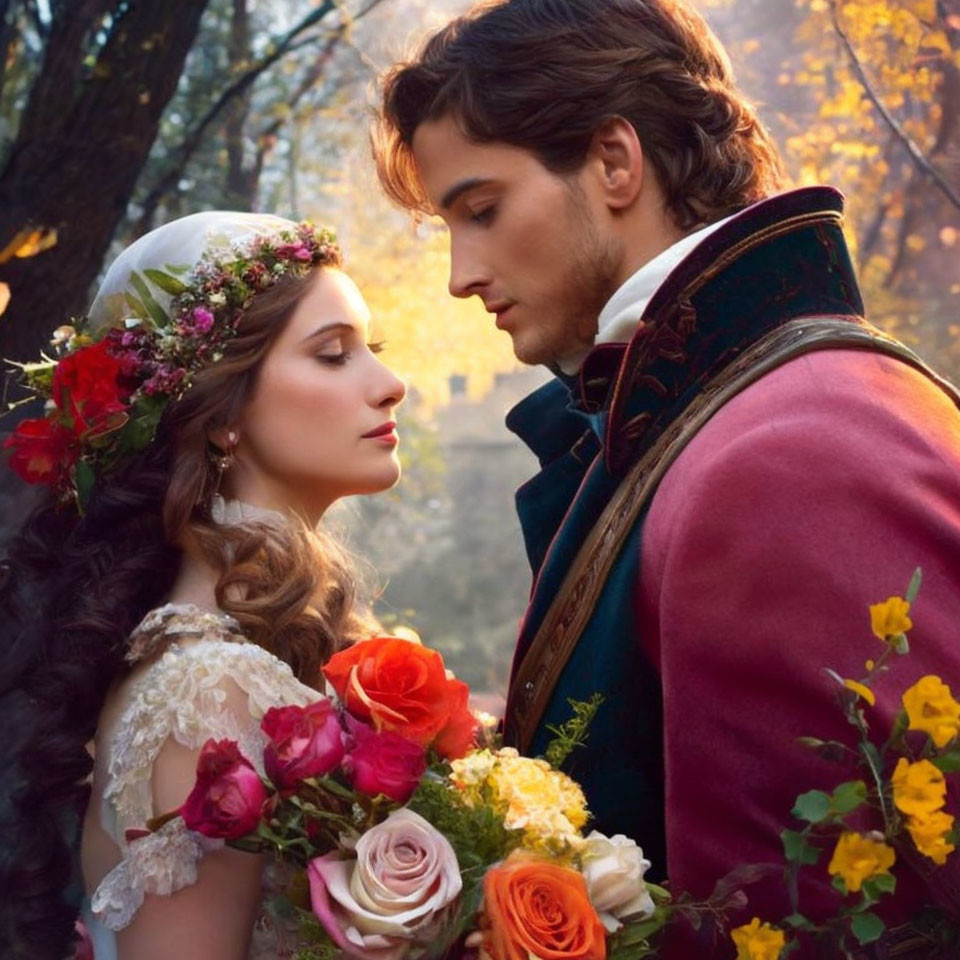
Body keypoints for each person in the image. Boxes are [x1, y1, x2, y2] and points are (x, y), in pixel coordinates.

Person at [373, 0, 960, 954]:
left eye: (482, 211)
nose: (458, 274)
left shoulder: (784, 456)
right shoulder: (732, 414)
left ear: (614, 162)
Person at [0, 211, 406, 960]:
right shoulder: (209, 689)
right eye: (333, 354)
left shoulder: (243, 659)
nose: (390, 385)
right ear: (221, 414)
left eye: (371, 349)